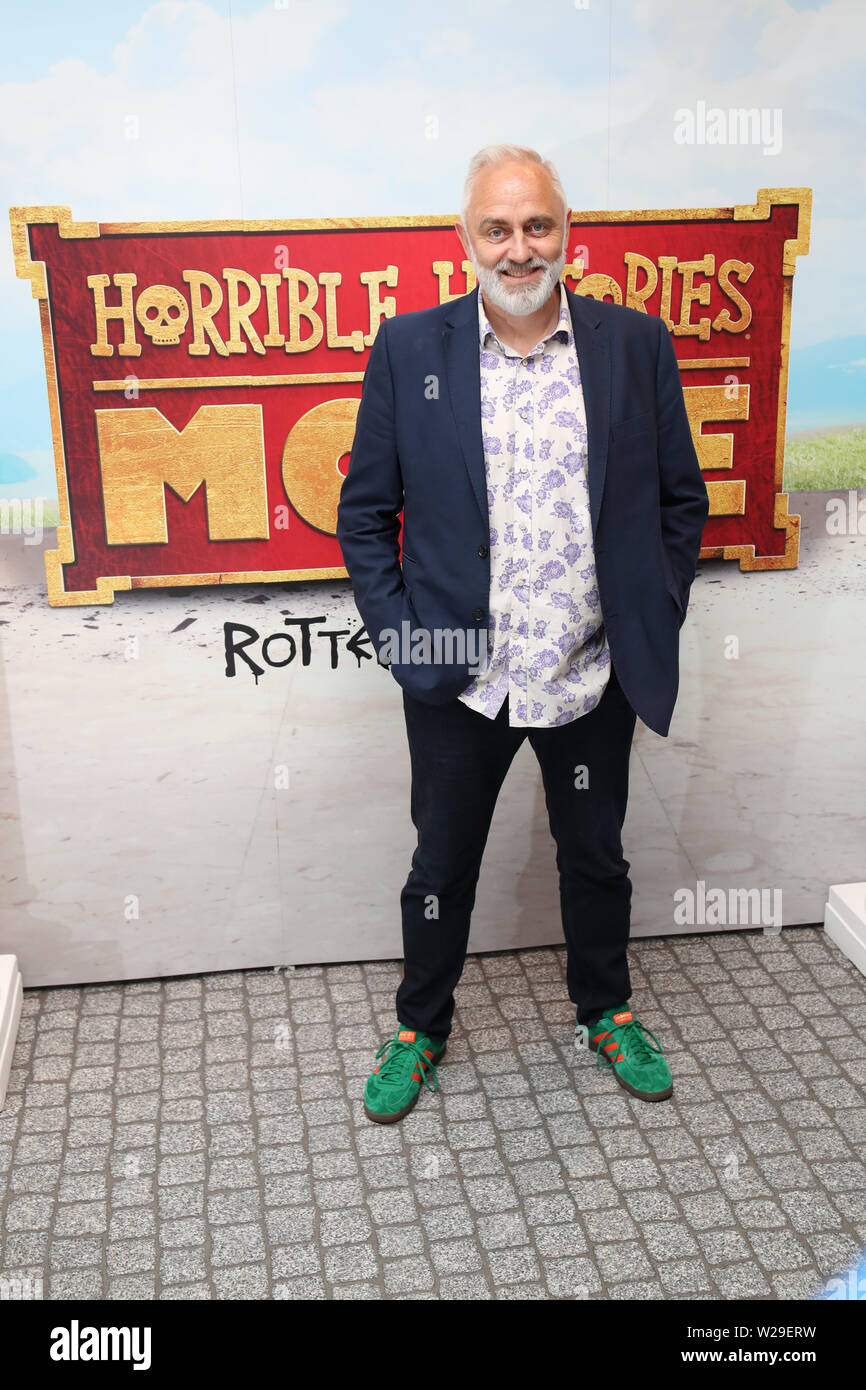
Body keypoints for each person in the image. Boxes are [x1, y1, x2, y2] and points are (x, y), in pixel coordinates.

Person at [336, 143, 709, 1124]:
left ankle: (605, 1008)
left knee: (595, 854)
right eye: (495, 228)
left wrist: (647, 614)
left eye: (534, 224)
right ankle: (419, 1024)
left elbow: (680, 503)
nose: (516, 248)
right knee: (439, 864)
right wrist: (403, 641)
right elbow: (364, 517)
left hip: (590, 672)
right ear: (466, 240)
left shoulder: (632, 347)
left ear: (565, 233)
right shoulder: (410, 352)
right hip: (461, 679)